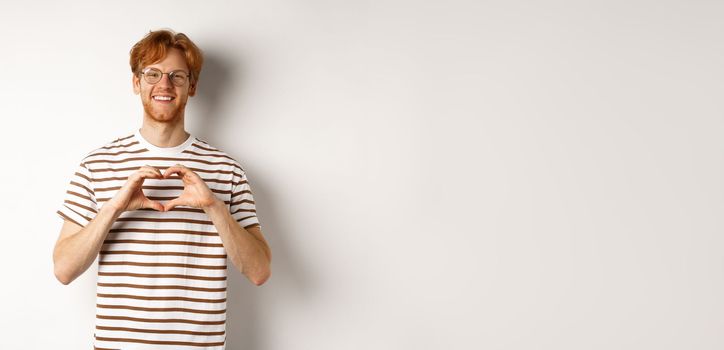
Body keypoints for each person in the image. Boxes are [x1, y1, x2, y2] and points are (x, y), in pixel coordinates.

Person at [52, 29, 271, 349]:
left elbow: (259, 271)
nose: (164, 84)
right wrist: (113, 208)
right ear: (136, 82)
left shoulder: (227, 170)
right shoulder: (97, 165)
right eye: (152, 73)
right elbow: (64, 269)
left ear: (192, 86)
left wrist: (213, 206)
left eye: (176, 75)